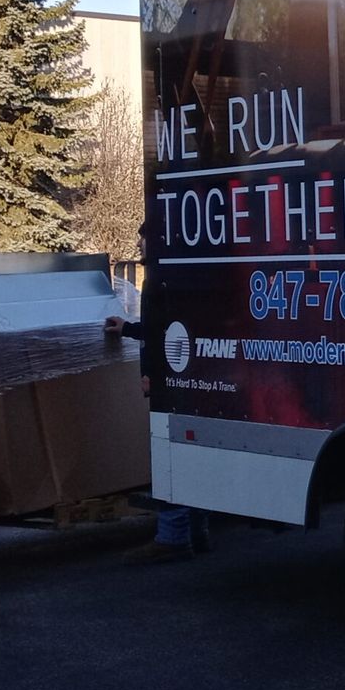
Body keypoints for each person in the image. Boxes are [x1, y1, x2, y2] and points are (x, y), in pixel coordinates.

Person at [104, 226, 209, 563]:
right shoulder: (182, 272)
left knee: (169, 458)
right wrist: (128, 328)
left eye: (143, 237)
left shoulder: (161, 278)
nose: (138, 243)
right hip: (187, 377)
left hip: (171, 379)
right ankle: (197, 530)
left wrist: (151, 373)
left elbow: (160, 330)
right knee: (190, 456)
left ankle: (173, 536)